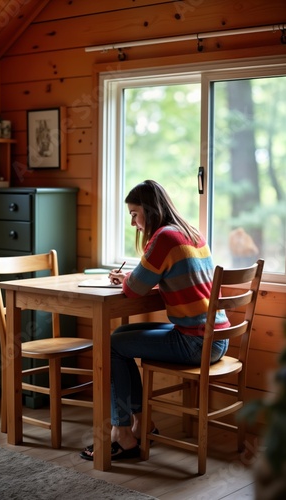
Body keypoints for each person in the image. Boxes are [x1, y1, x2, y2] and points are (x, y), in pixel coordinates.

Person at [80, 179, 230, 461]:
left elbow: (133, 289)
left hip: (194, 342)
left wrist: (126, 280)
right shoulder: (190, 233)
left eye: (135, 214)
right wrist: (134, 279)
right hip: (217, 339)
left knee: (112, 345)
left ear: (149, 210)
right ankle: (141, 423)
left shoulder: (164, 237)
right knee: (122, 335)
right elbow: (173, 279)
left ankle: (122, 435)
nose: (134, 223)